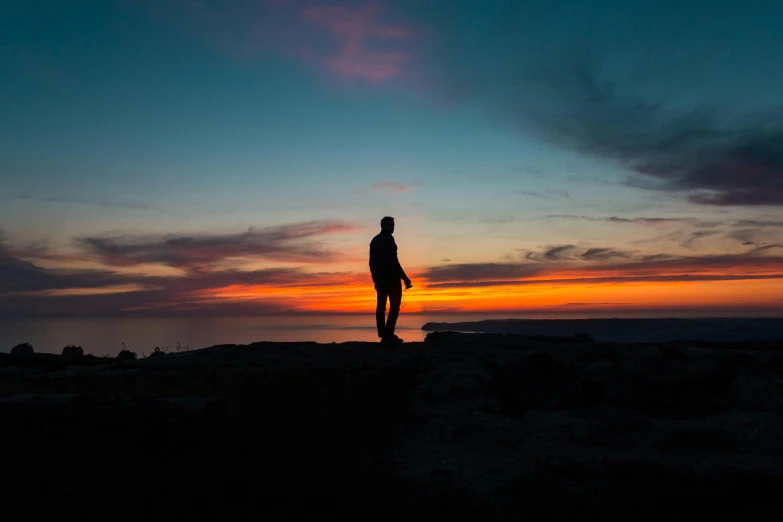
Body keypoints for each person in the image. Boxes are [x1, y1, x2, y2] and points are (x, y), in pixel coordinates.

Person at [369, 216, 412, 343]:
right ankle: (388, 334)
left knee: (381, 306)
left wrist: (375, 279)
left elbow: (371, 263)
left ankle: (384, 334)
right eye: (392, 224)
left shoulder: (374, 240)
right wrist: (405, 278)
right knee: (394, 306)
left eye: (393, 224)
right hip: (391, 279)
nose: (394, 226)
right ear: (385, 225)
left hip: (380, 280)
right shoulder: (389, 239)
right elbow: (394, 262)